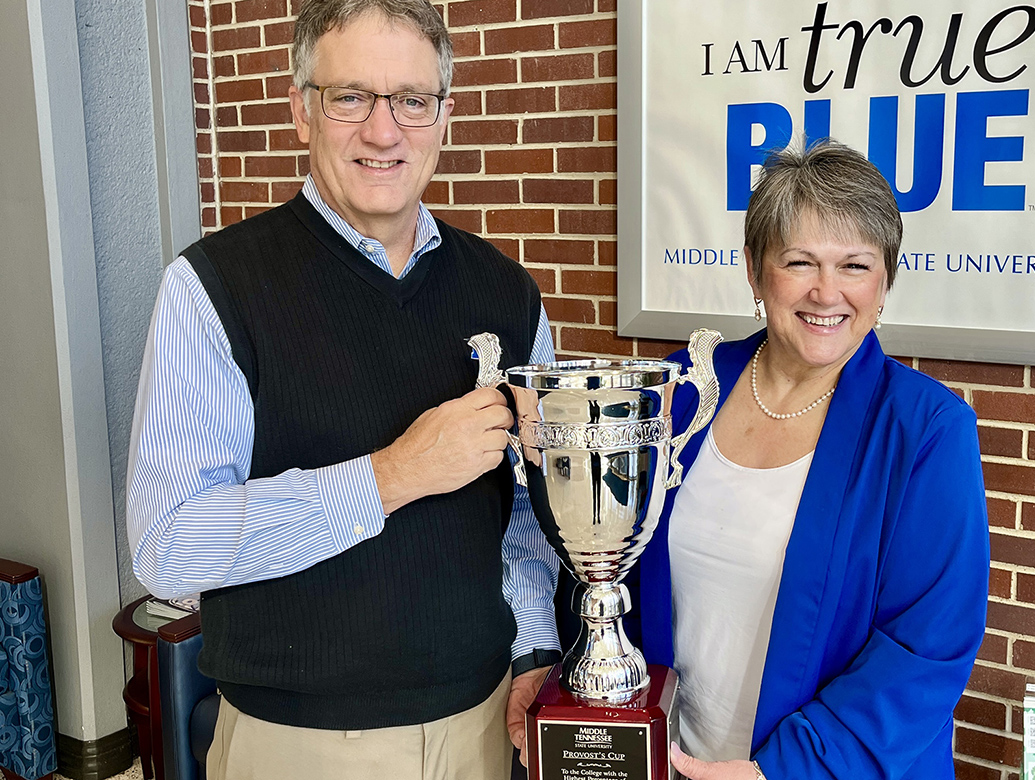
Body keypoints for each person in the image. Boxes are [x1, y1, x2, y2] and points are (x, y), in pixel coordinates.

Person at [125, 1, 559, 777]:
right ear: (303, 110)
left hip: (483, 727)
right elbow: (169, 547)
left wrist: (533, 645)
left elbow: (525, 514)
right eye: (350, 96)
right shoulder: (213, 287)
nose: (383, 131)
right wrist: (394, 475)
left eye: (411, 101)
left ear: (445, 117)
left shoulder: (509, 295)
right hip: (299, 746)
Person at [633, 140, 990, 779]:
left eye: (855, 265)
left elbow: (926, 649)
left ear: (886, 279)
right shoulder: (679, 392)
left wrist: (783, 771)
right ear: (754, 270)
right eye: (800, 261)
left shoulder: (927, 431)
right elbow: (616, 572)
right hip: (674, 762)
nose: (828, 293)